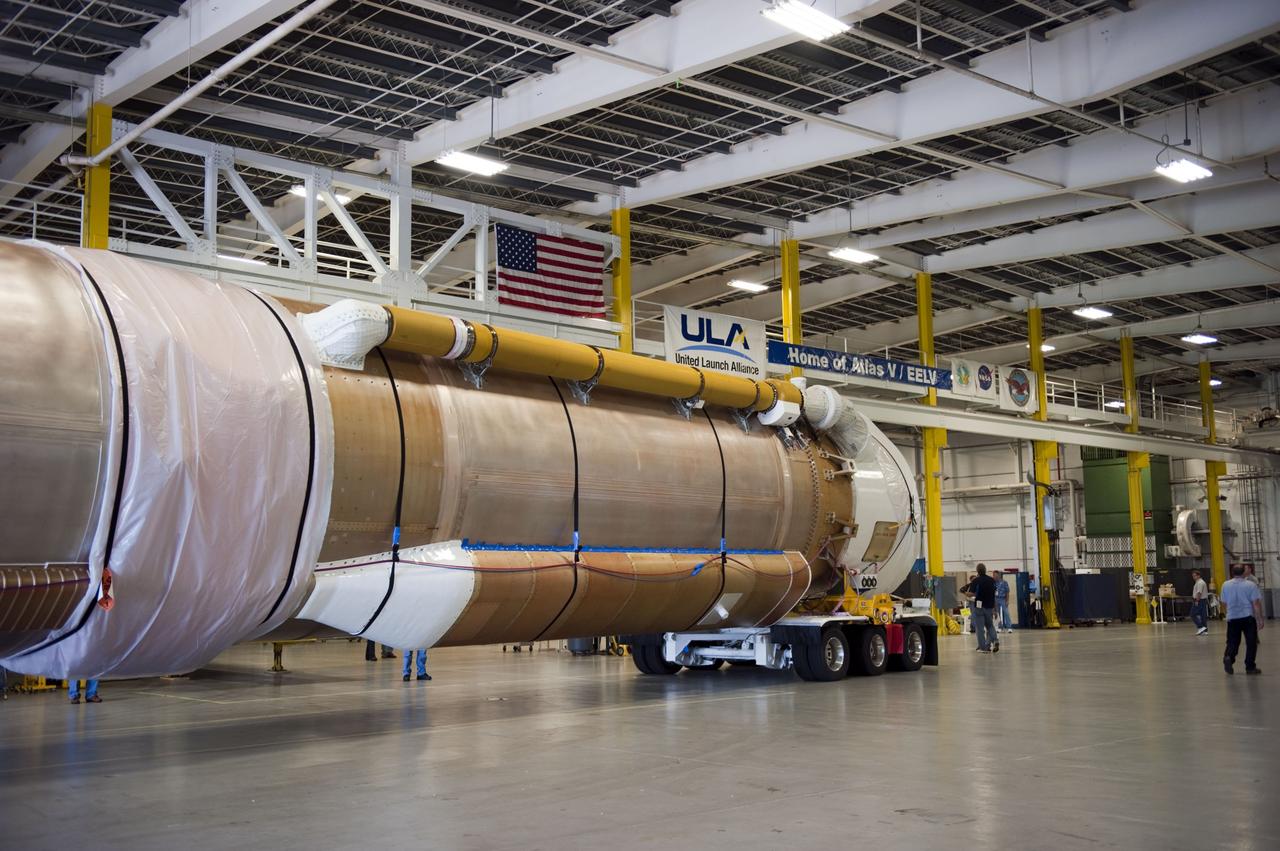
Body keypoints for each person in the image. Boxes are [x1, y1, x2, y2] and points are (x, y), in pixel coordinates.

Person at [1220, 563, 1264, 675]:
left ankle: (1229, 657)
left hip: (1232, 617)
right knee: (1251, 642)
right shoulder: (1250, 585)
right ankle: (1250, 667)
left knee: (1232, 642)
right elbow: (1256, 604)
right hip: (1247, 617)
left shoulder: (1225, 585)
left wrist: (1227, 614)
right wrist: (1260, 619)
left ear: (1232, 572)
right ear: (1244, 572)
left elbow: (1223, 602)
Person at [964, 564, 1000, 653]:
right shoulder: (991, 580)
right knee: (990, 625)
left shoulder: (976, 581)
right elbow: (994, 594)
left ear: (977, 571)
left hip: (979, 607)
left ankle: (983, 648)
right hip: (989, 607)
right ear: (985, 570)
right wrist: (995, 609)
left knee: (979, 628)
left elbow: (971, 593)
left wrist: (965, 592)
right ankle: (995, 640)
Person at [1190, 570, 1209, 635]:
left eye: (1195, 576)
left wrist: (1196, 601)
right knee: (1202, 615)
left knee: (1192, 614)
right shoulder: (1199, 582)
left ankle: (1200, 627)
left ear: (1199, 575)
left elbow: (1199, 592)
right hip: (1203, 600)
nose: (1193, 577)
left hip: (1199, 600)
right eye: (1193, 576)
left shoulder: (1200, 583)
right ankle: (1205, 630)